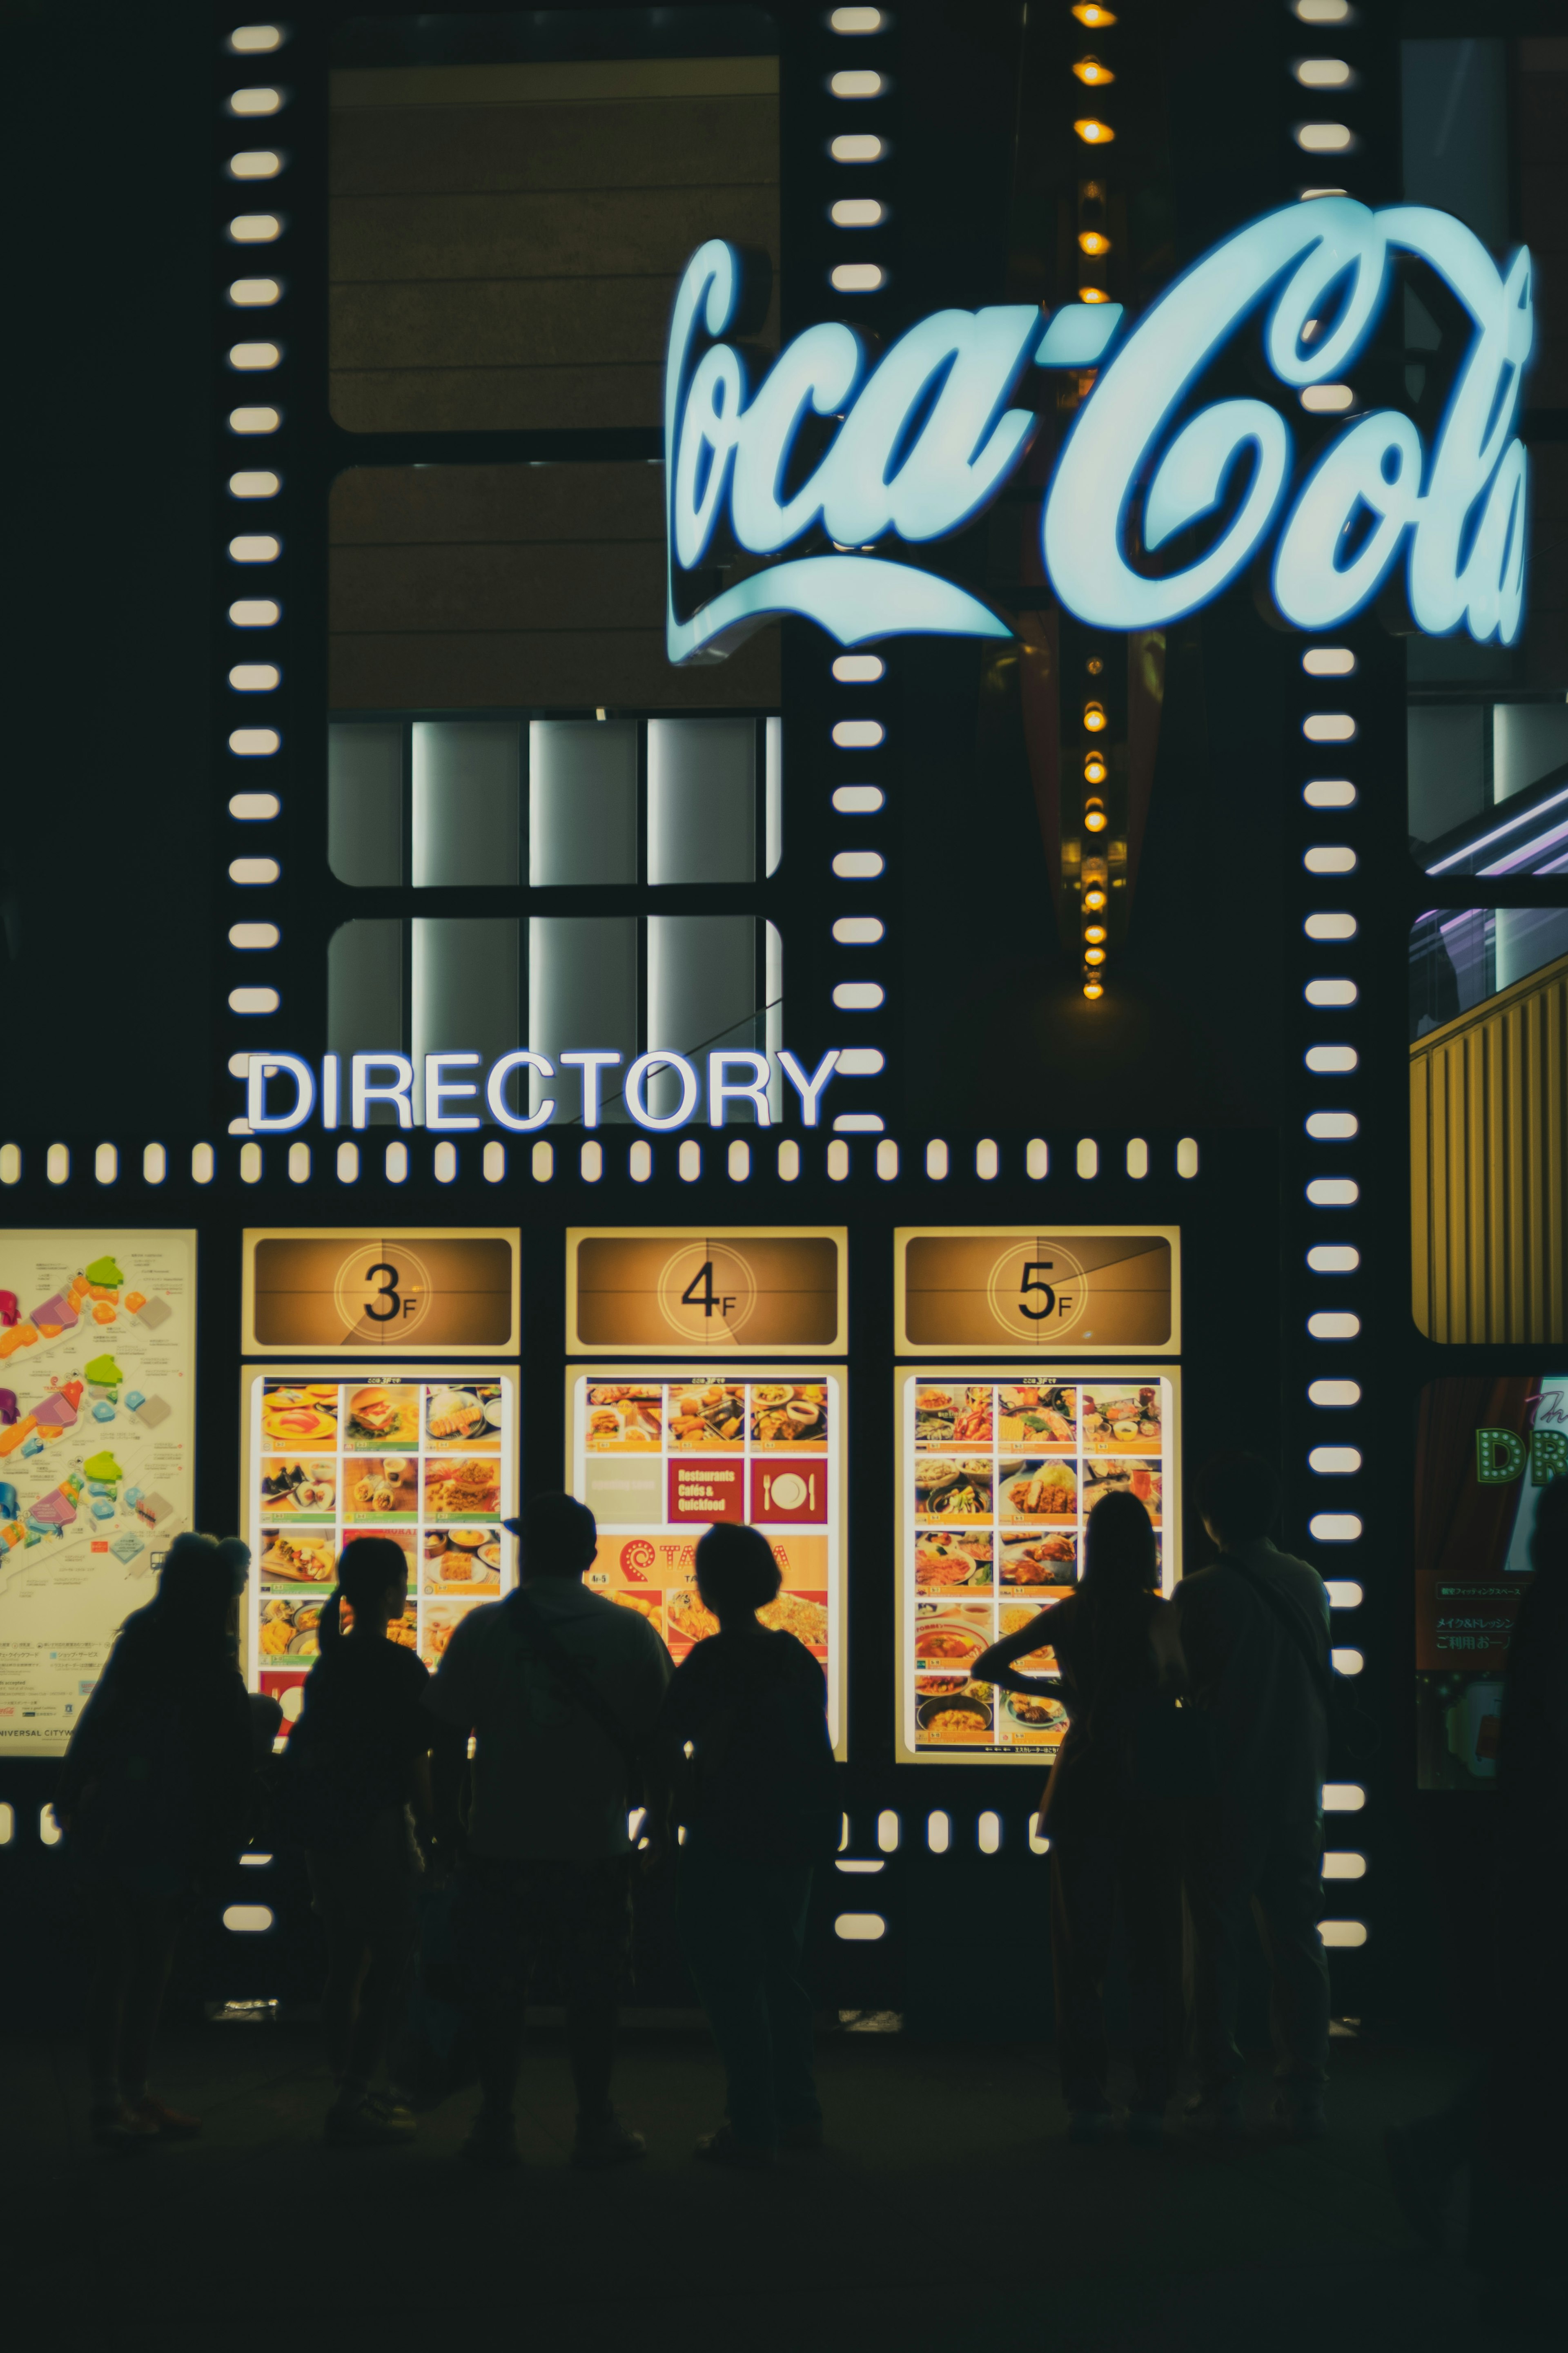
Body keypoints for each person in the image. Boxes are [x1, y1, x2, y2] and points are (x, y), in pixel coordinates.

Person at [425, 1492, 672, 2170]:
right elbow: (659, 1739)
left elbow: (445, 1734)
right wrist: (664, 1820)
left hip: (500, 1843)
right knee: (594, 1996)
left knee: (497, 1994)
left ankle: (495, 2124)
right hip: (595, 1844)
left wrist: (446, 1820)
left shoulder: (484, 1627)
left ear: (524, 1549)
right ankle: (596, 2124)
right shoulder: (629, 1631)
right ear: (591, 1556)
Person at [1386, 1475, 1568, 2278]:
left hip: (1531, 1861)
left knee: (1540, 2044)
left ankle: (1447, 2150)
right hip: (1545, 1864)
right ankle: (1447, 2152)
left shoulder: (1542, 1611)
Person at [975, 1490, 1183, 2141]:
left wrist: (1056, 1689)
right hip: (1148, 1788)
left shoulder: (1069, 1614)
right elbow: (1182, 1682)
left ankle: (1086, 2099)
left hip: (1080, 1787)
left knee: (1079, 1955)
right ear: (1146, 1548)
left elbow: (987, 1662)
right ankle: (1152, 2097)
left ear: (1089, 1547)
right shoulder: (1160, 1614)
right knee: (1153, 1949)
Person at [54, 1531, 254, 2148]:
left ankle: (109, 2099)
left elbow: (96, 1725)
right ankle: (131, 2098)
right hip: (167, 1831)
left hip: (110, 1821)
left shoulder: (140, 1640)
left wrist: (70, 1800)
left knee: (113, 1964)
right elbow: (227, 1767)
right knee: (151, 1967)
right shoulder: (210, 1663)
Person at [656, 1523, 837, 2169]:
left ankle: (751, 2122)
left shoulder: (709, 1661)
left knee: (730, 1980)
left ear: (706, 1586)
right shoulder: (795, 1654)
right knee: (783, 1975)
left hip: (725, 1832)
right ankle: (801, 2114)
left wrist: (670, 1810)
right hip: (794, 1831)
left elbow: (665, 1741)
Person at [1175, 1451, 1332, 2139]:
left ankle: (1220, 2088)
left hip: (1224, 1788)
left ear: (1209, 1516)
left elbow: (1180, 1685)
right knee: (1298, 1940)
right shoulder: (1308, 1580)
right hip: (1298, 1786)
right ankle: (1303, 2091)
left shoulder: (1200, 1590)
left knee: (1216, 1945)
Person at [279, 1534, 432, 2148]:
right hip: (376, 1830)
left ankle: (347, 2086)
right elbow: (415, 1760)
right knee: (391, 1964)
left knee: (344, 1964)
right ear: (393, 1593)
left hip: (325, 1832)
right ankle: (355, 2098)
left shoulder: (328, 1662)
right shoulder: (401, 1667)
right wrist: (440, 1829)